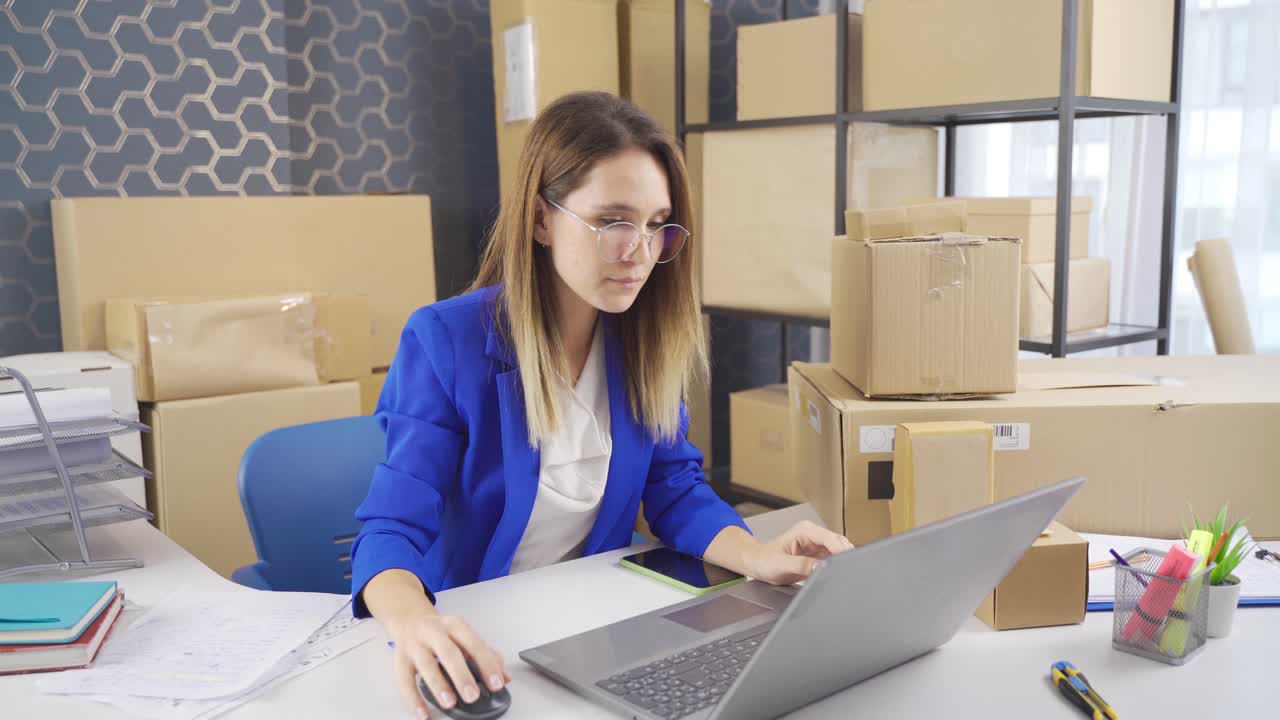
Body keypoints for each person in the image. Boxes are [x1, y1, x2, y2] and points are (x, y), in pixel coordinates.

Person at [350, 91, 854, 719]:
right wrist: (415, 622)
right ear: (541, 219)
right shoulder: (445, 341)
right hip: (479, 631)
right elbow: (389, 528)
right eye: (614, 220)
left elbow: (674, 489)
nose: (639, 252)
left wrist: (759, 555)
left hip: (592, 628)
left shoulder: (643, 337)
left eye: (655, 224)